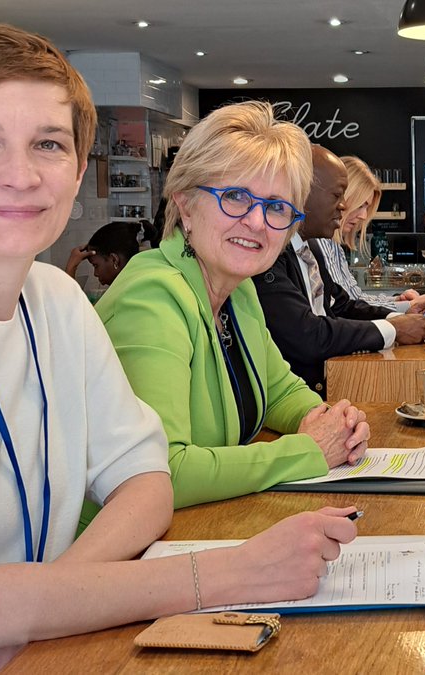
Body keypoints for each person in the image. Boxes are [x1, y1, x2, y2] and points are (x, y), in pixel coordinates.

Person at [0, 25, 357, 674]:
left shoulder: (56, 298)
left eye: (47, 143)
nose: (20, 175)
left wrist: (35, 614)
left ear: (77, 169)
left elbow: (147, 483)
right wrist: (230, 571)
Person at [96, 103, 372, 509]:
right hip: (121, 559)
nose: (258, 223)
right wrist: (310, 450)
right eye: (236, 197)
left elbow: (278, 392)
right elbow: (162, 472)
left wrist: (334, 423)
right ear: (185, 205)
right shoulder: (151, 297)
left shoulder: (239, 291)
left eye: (277, 206)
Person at [255, 146, 425, 395]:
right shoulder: (269, 258)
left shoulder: (311, 249)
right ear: (301, 193)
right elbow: (307, 336)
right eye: (337, 195)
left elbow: (342, 306)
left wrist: (396, 319)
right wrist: (395, 328)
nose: (344, 206)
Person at [313, 155, 425, 312]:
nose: (363, 216)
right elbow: (345, 308)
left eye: (366, 208)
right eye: (361, 205)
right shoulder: (319, 243)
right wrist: (407, 306)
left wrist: (398, 301)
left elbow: (355, 298)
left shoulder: (334, 246)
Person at [64, 220, 158, 286]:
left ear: (114, 260)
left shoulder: (126, 296)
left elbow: (75, 313)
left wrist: (71, 268)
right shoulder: (138, 283)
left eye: (96, 266)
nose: (95, 274)